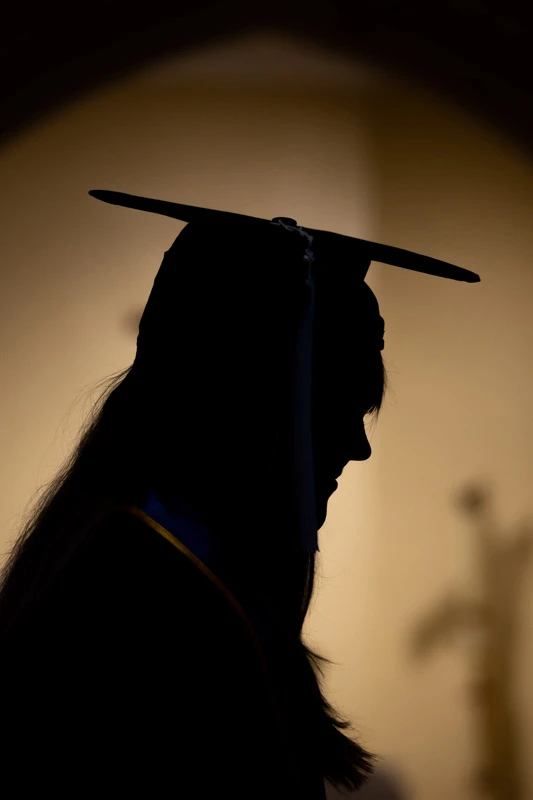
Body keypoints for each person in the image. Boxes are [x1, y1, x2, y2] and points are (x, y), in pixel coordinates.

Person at [0, 192, 479, 798]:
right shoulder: (137, 618)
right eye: (336, 407)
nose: (358, 446)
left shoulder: (147, 566)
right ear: (248, 400)